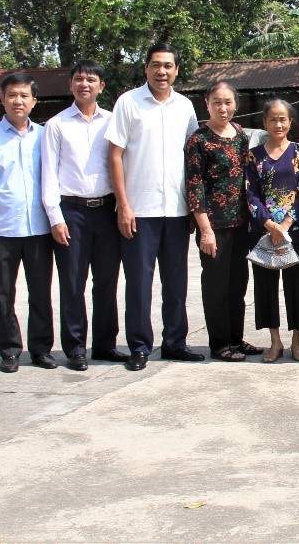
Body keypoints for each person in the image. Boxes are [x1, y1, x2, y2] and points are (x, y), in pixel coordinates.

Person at [107, 43, 202, 370]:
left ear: (176, 70)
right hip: (139, 211)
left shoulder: (185, 107)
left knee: (176, 284)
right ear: (146, 68)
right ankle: (139, 346)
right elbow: (115, 156)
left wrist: (193, 207)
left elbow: (193, 159)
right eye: (155, 65)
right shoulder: (128, 103)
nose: (162, 72)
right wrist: (123, 205)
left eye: (168, 66)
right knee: (138, 284)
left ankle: (175, 342)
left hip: (176, 211)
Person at [41, 61, 126, 370]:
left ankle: (105, 345)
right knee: (73, 282)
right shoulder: (57, 125)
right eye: (79, 79)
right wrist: (55, 217)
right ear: (71, 85)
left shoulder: (113, 121)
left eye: (91, 80)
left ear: (101, 87)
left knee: (107, 281)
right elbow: (48, 174)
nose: (84, 84)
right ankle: (75, 347)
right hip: (71, 211)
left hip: (106, 210)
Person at [0, 72, 54, 373]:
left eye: (24, 96)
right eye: (12, 95)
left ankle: (41, 349)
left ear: (34, 101)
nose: (18, 101)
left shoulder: (45, 136)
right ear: (2, 99)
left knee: (41, 292)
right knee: (3, 294)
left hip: (40, 230)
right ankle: (9, 349)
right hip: (2, 230)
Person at [184, 81, 258, 363]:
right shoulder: (198, 140)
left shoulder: (240, 135)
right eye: (217, 102)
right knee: (216, 286)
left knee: (238, 284)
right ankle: (219, 343)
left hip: (241, 224)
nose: (222, 108)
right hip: (214, 226)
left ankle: (236, 339)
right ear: (207, 104)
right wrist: (205, 229)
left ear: (235, 104)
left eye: (227, 102)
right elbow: (194, 187)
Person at [247, 98, 299, 362]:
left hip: (295, 229)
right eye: (272, 119)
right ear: (264, 122)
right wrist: (269, 224)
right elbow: (251, 195)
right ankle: (274, 342)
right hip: (263, 230)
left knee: (296, 286)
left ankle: (297, 341)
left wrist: (286, 223)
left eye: (283, 119)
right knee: (266, 287)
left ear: (290, 122)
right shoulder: (254, 155)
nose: (278, 124)